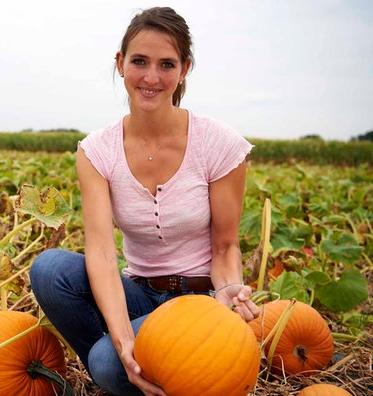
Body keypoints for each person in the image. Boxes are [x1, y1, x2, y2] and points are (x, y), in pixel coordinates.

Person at [29, 6, 260, 396]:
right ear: (120, 64)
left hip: (199, 303)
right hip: (137, 295)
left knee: (106, 364)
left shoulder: (218, 143)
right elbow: (101, 252)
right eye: (140, 61)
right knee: (50, 269)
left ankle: (136, 372)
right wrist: (123, 340)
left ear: (185, 69)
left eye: (166, 64)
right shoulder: (97, 151)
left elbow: (225, 245)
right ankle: (135, 370)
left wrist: (228, 289)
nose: (151, 77)